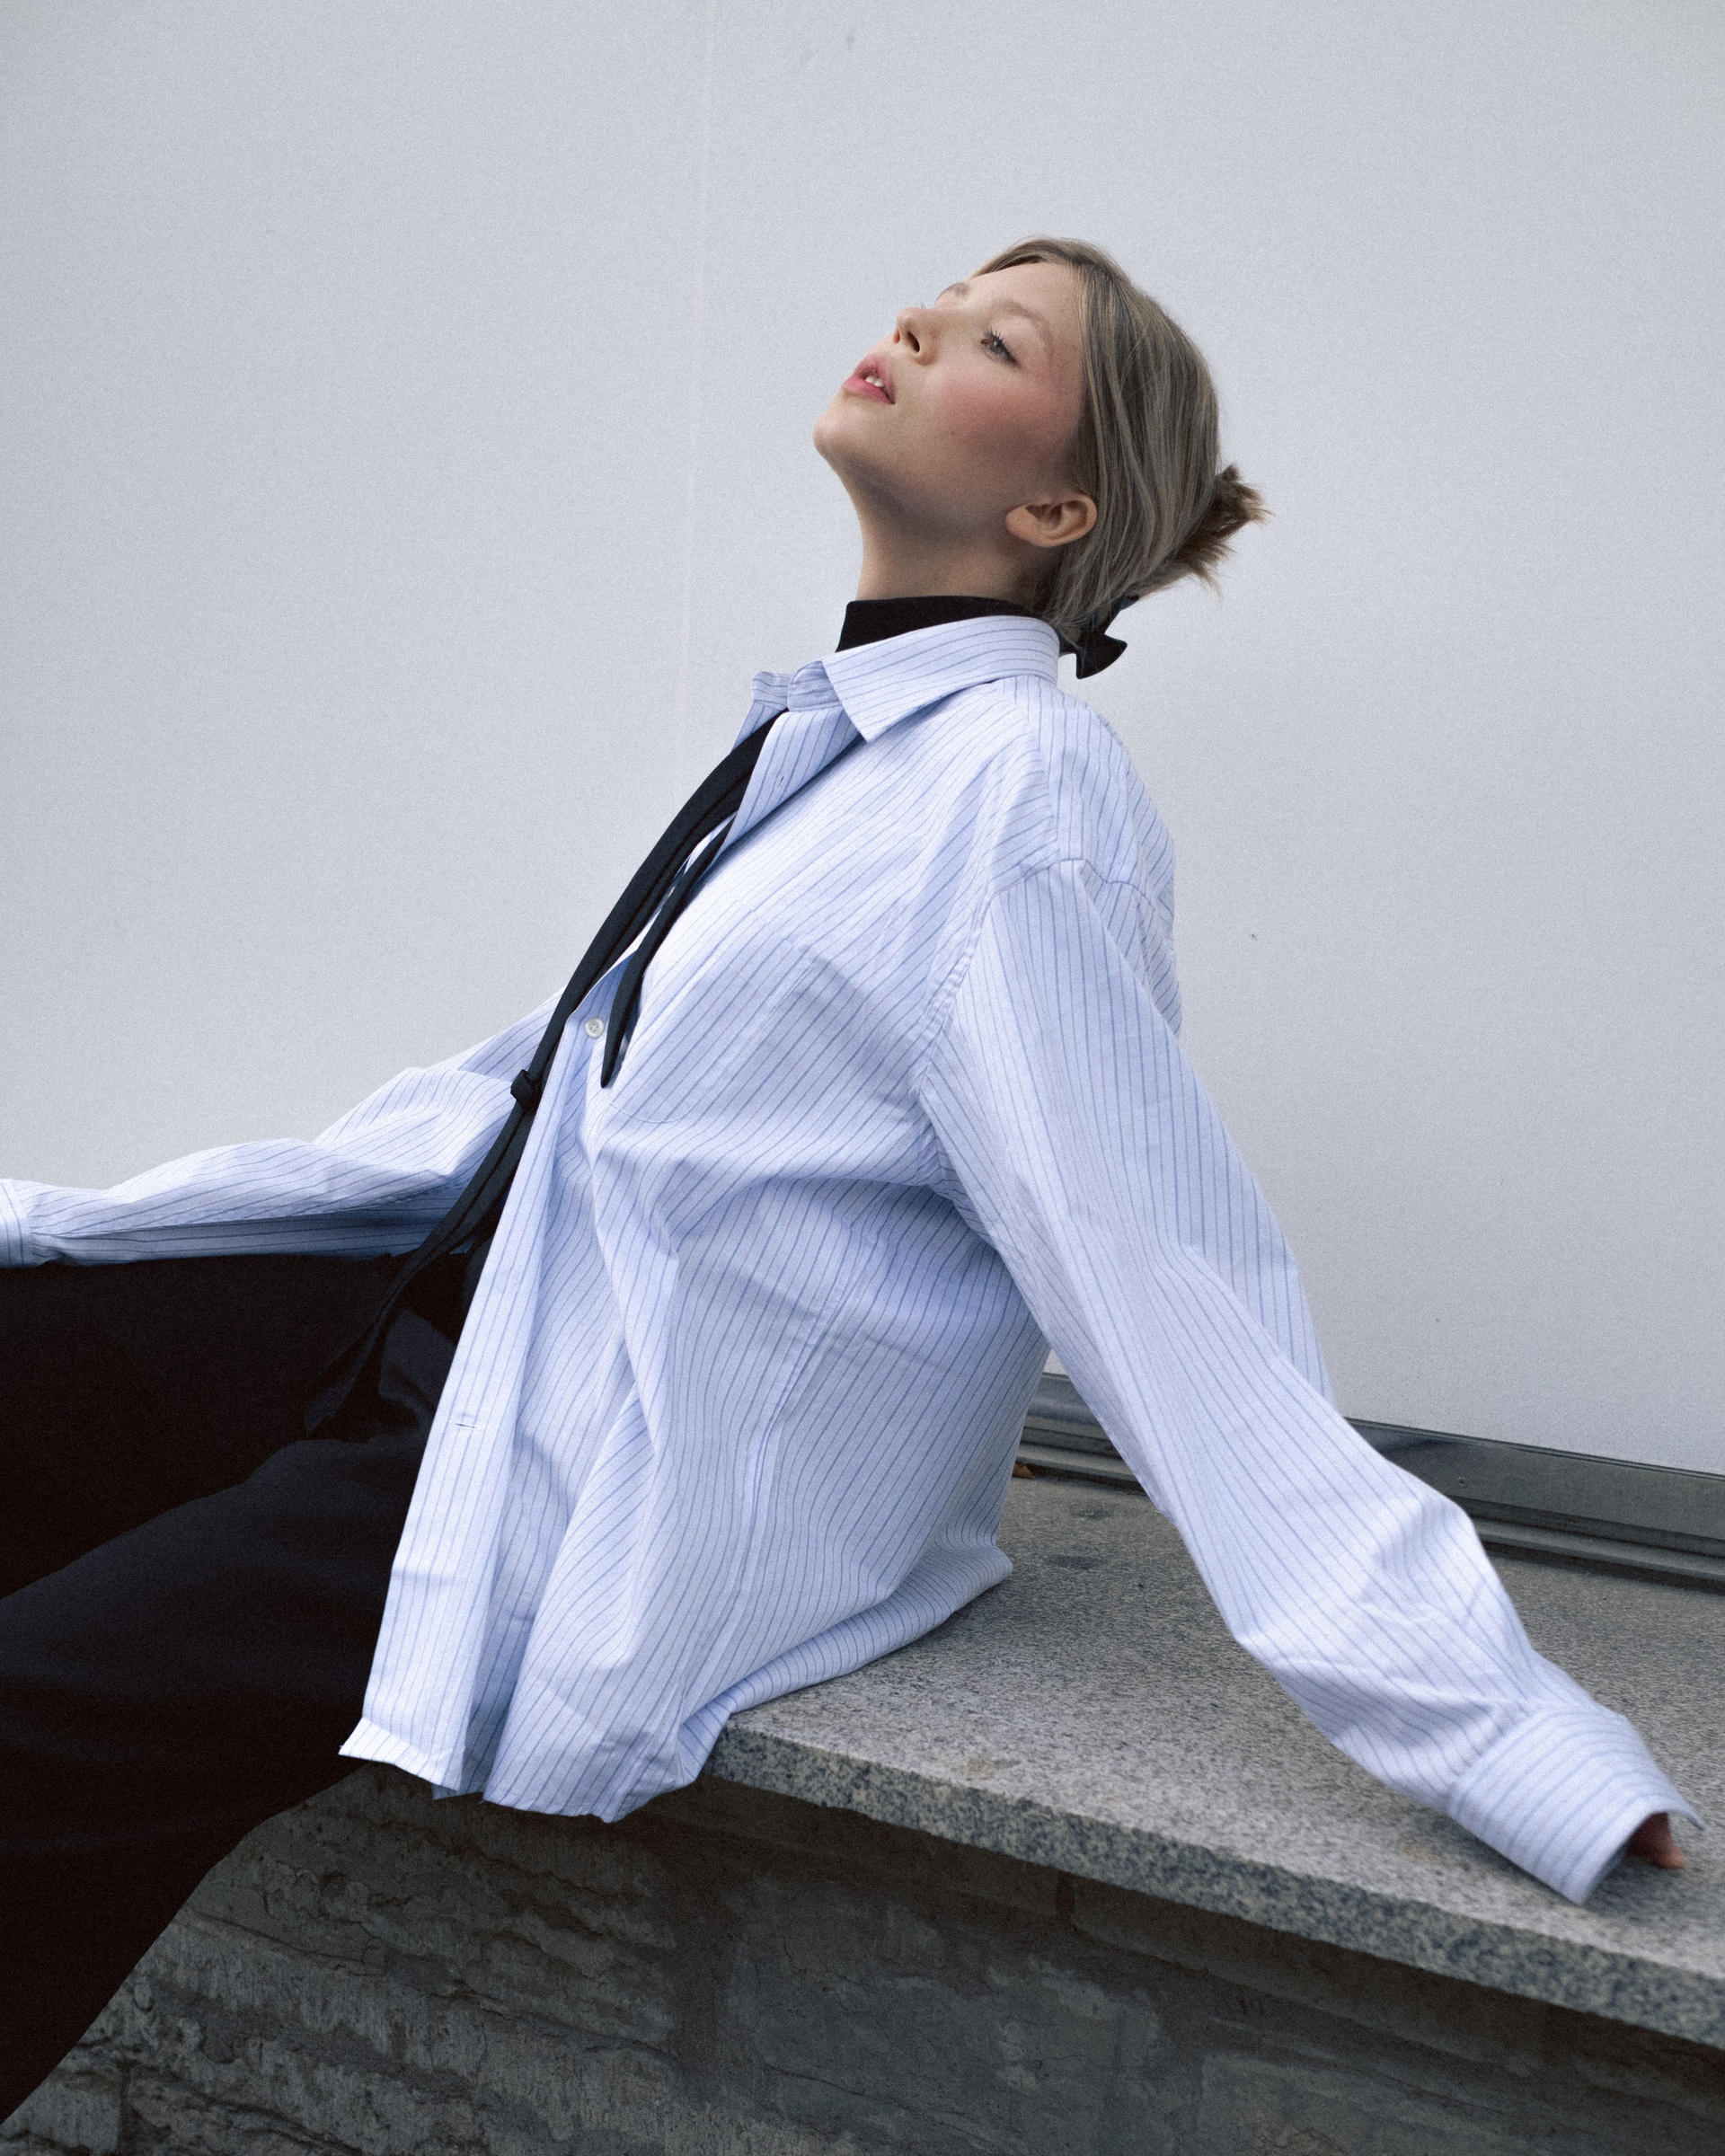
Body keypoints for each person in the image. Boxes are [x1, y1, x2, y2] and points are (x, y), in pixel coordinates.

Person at [0, 236, 1693, 2117]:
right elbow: (544, 1093)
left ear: (1057, 508)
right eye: (934, 303)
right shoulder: (833, 747)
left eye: (994, 342)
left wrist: (1506, 1738)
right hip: (441, 1330)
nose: (915, 325)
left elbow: (1159, 1277)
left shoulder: (1022, 798)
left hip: (547, 1446)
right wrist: (94, 1227)